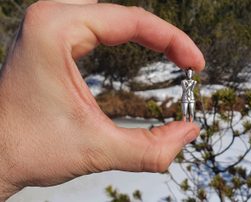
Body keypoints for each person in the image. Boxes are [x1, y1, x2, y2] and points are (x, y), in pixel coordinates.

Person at [0, 0, 205, 201]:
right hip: (187, 99)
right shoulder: (187, 84)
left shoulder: (190, 85)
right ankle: (188, 119)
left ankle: (188, 119)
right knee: (188, 108)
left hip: (189, 99)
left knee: (189, 108)